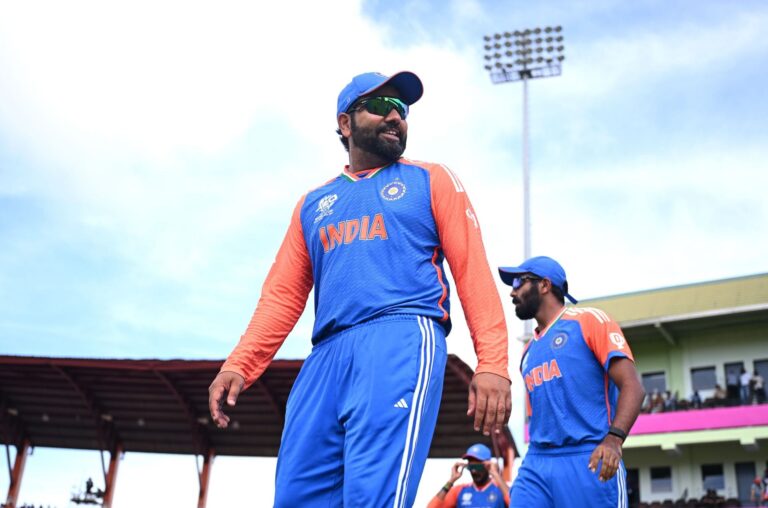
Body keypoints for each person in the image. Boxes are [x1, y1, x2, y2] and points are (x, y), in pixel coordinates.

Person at [207, 71, 511, 507]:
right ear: (345, 123)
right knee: (295, 497)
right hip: (325, 356)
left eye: (401, 109)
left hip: (400, 336)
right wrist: (240, 364)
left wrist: (493, 363)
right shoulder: (313, 204)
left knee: (372, 497)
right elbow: (282, 296)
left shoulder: (431, 179)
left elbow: (472, 271)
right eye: (381, 106)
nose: (395, 116)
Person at [497, 256, 645, 508]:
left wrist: (614, 439)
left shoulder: (589, 320)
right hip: (537, 461)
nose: (512, 291)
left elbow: (633, 387)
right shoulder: (527, 352)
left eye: (519, 282)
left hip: (588, 456)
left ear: (545, 285)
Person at [429, 443, 509, 508]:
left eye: (477, 467)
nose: (473, 471)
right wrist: (451, 480)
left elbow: (514, 503)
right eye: (470, 467)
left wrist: (496, 475)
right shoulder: (460, 490)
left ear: (488, 465)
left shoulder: (500, 489)